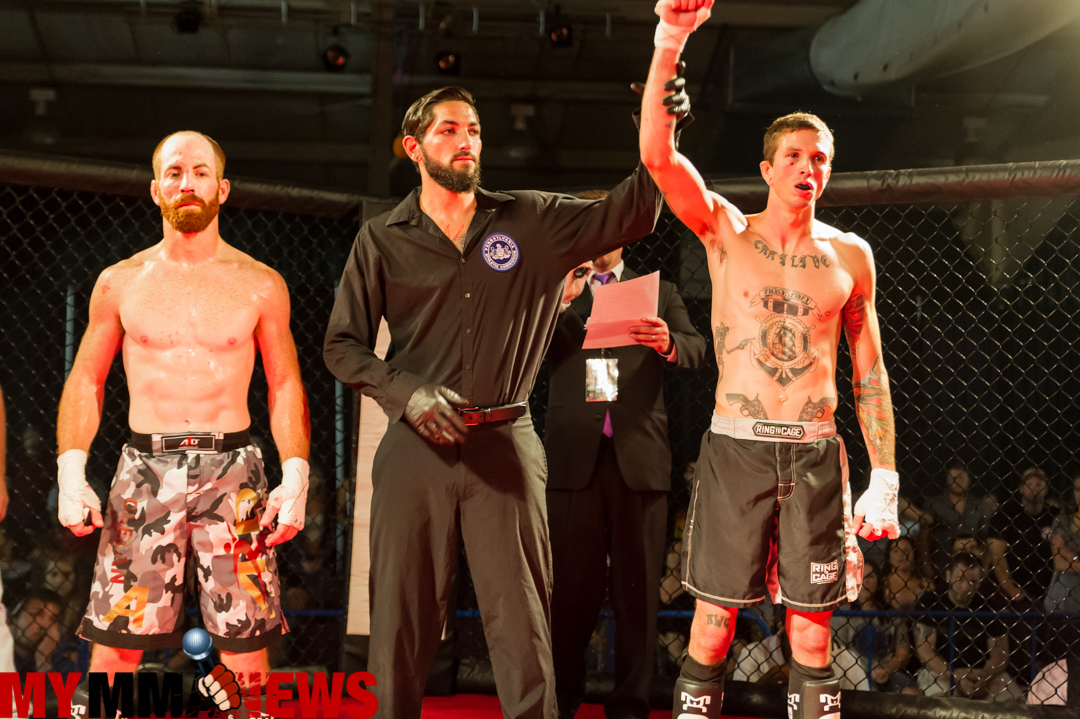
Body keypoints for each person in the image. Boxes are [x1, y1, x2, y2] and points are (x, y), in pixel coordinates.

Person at [323, 84, 687, 719]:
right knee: (400, 618)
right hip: (415, 446)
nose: (465, 140)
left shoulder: (531, 218)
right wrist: (407, 393)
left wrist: (661, 127)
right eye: (448, 130)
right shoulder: (381, 238)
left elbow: (633, 212)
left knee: (522, 619)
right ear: (414, 147)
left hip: (506, 441)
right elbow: (341, 346)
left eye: (473, 130)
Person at [639, 3, 901, 717]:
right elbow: (658, 158)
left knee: (812, 631)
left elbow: (869, 369)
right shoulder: (727, 232)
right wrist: (671, 41)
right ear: (767, 168)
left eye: (820, 158)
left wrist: (884, 473)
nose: (808, 168)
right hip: (738, 447)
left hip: (815, 451)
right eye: (794, 156)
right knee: (714, 622)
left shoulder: (851, 256)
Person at [55, 131, 310, 709]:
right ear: (155, 190)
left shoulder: (260, 283)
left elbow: (285, 383)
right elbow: (86, 379)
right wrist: (71, 472)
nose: (186, 183)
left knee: (245, 642)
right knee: (116, 642)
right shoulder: (120, 281)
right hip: (145, 467)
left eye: (199, 172)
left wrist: (296, 473)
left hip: (235, 469)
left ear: (222, 188)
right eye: (174, 172)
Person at [545, 225, 707, 719]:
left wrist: (668, 342)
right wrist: (562, 294)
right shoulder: (555, 289)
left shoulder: (659, 291)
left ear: (625, 235)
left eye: (611, 228)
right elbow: (520, 347)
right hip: (576, 456)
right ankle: (561, 698)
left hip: (638, 456)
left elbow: (696, 348)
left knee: (637, 592)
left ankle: (631, 705)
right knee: (571, 591)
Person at [912, 552, 1021, 701]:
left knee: (1012, 701)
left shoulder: (990, 606)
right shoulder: (931, 602)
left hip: (981, 672)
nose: (965, 587)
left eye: (972, 581)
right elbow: (925, 651)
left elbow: (1000, 654)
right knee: (940, 699)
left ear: (980, 582)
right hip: (941, 671)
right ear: (948, 576)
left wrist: (984, 677)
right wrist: (954, 676)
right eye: (960, 579)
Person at [987, 467, 1056, 605]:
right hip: (1015, 590)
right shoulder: (1005, 515)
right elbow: (997, 555)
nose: (1034, 488)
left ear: (1046, 489)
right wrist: (1011, 589)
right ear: (1021, 489)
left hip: (1051, 590)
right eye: (1029, 484)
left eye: (1039, 484)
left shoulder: (1055, 516)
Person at [926, 460, 994, 575]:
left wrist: (984, 567)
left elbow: (986, 540)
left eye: (961, 477)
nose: (956, 481)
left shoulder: (980, 506)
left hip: (971, 566)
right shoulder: (934, 504)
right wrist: (926, 565)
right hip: (940, 565)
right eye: (952, 478)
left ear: (969, 480)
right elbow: (925, 537)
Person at [1046, 472, 1080, 614]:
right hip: (1061, 596)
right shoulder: (1063, 520)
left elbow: (1064, 558)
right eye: (1077, 490)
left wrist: (1067, 553)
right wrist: (1076, 558)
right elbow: (1059, 563)